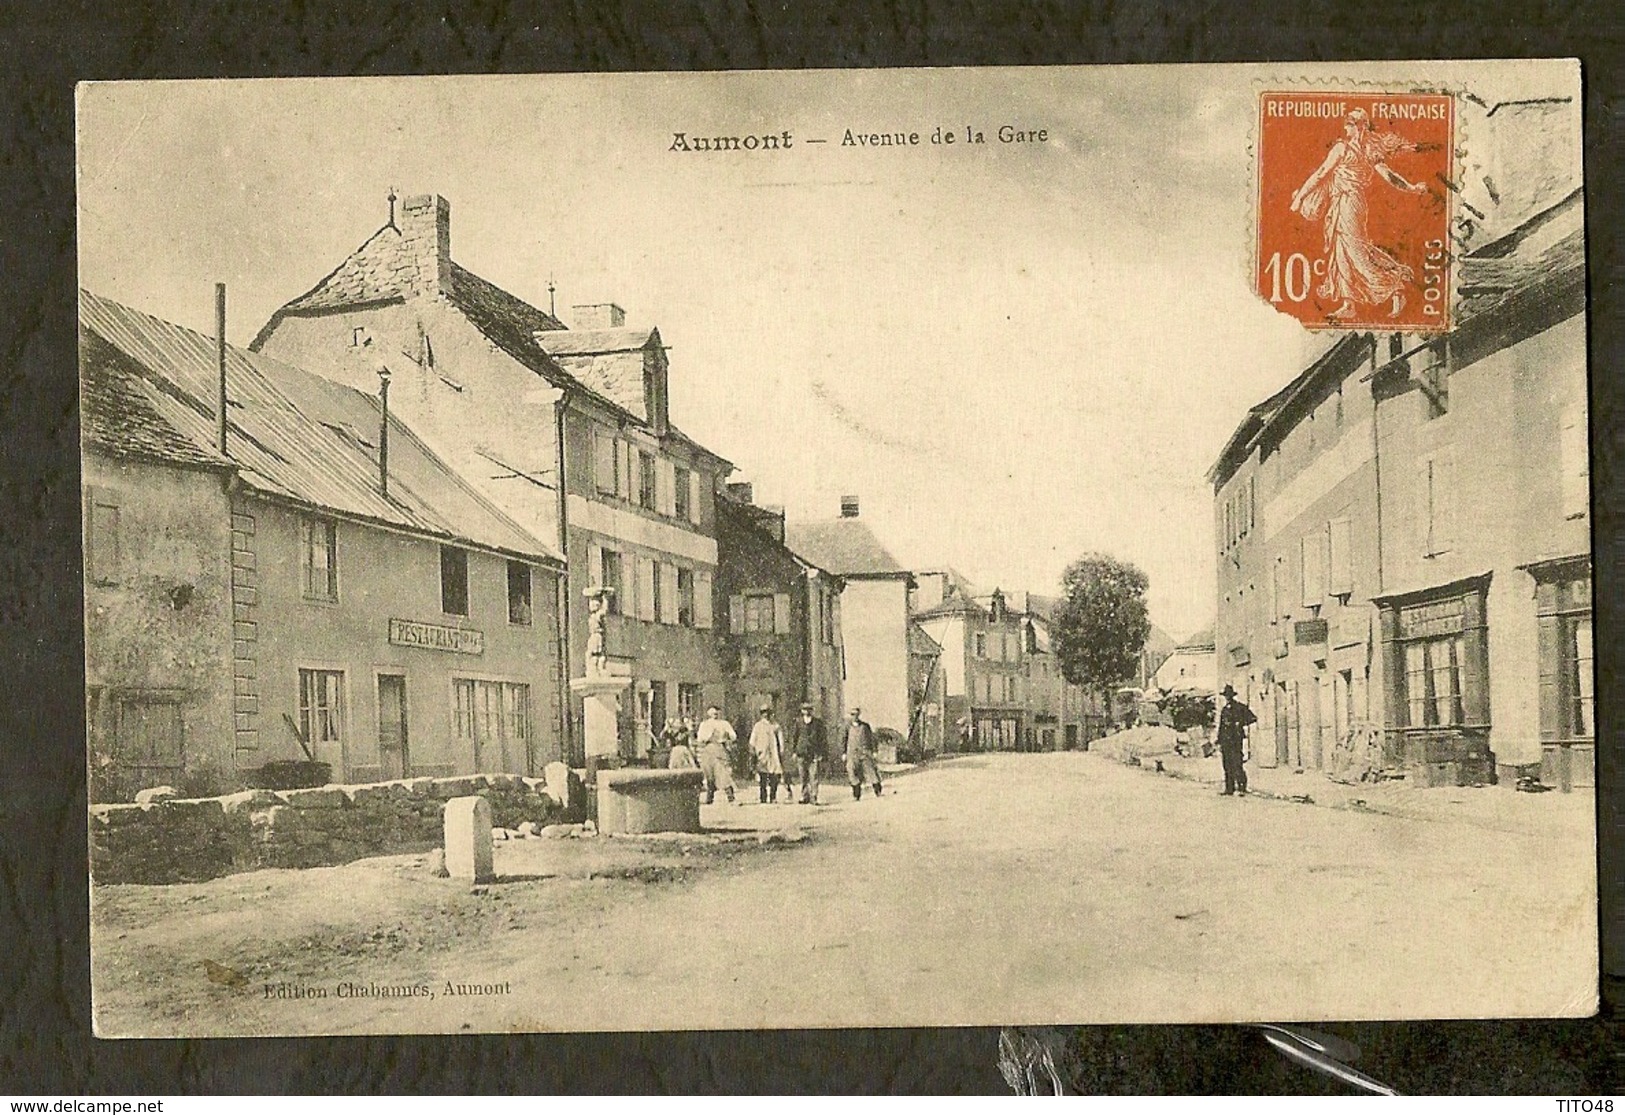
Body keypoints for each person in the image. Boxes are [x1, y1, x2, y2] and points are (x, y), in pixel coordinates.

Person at [1289, 108, 1430, 320]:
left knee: (1356, 251)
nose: (1345, 127)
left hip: (1349, 202)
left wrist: (1300, 197)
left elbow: (1321, 173)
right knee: (1342, 251)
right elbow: (1389, 176)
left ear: (1359, 126)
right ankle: (1349, 303)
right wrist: (1411, 187)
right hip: (1343, 202)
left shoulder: (1344, 148)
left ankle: (1394, 286)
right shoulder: (1368, 149)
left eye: (1349, 124)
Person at [1215, 683, 1258, 796]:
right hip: (1225, 741)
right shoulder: (1224, 710)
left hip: (1235, 739)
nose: (1227, 697)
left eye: (1228, 695)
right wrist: (1219, 740)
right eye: (1226, 696)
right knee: (1227, 765)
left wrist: (1240, 723)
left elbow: (1253, 718)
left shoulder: (1240, 707)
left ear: (1232, 696)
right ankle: (1229, 789)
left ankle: (1242, 788)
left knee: (1237, 763)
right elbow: (1221, 726)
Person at [695, 705, 738, 805]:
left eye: (717, 711)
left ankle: (731, 797)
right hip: (708, 750)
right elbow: (700, 738)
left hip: (720, 749)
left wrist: (726, 737)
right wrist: (709, 735)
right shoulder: (704, 724)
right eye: (712, 711)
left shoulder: (724, 723)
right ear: (708, 713)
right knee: (709, 774)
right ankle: (709, 798)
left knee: (723, 772)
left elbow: (733, 736)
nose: (715, 713)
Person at [749, 704, 789, 804]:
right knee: (763, 776)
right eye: (763, 713)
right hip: (762, 754)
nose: (765, 715)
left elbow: (781, 740)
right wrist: (753, 751)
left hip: (773, 754)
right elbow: (752, 740)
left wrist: (781, 751)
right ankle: (763, 797)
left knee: (774, 777)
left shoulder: (775, 726)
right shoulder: (758, 726)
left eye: (767, 712)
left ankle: (773, 796)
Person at [790, 702, 828, 804]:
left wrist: (821, 753)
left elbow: (822, 739)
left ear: (812, 710)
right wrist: (794, 751)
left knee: (814, 776)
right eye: (805, 709)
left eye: (809, 709)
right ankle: (804, 796)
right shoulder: (798, 722)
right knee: (803, 776)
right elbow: (794, 737)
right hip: (801, 752)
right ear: (802, 711)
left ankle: (814, 796)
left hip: (814, 753)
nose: (807, 711)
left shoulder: (817, 723)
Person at [843, 706, 882, 800]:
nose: (854, 717)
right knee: (851, 772)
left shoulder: (865, 726)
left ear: (859, 715)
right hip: (852, 753)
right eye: (852, 714)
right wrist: (843, 753)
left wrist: (874, 751)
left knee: (870, 771)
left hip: (864, 752)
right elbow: (844, 740)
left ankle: (877, 789)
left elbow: (872, 739)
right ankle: (857, 794)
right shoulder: (847, 727)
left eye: (856, 714)